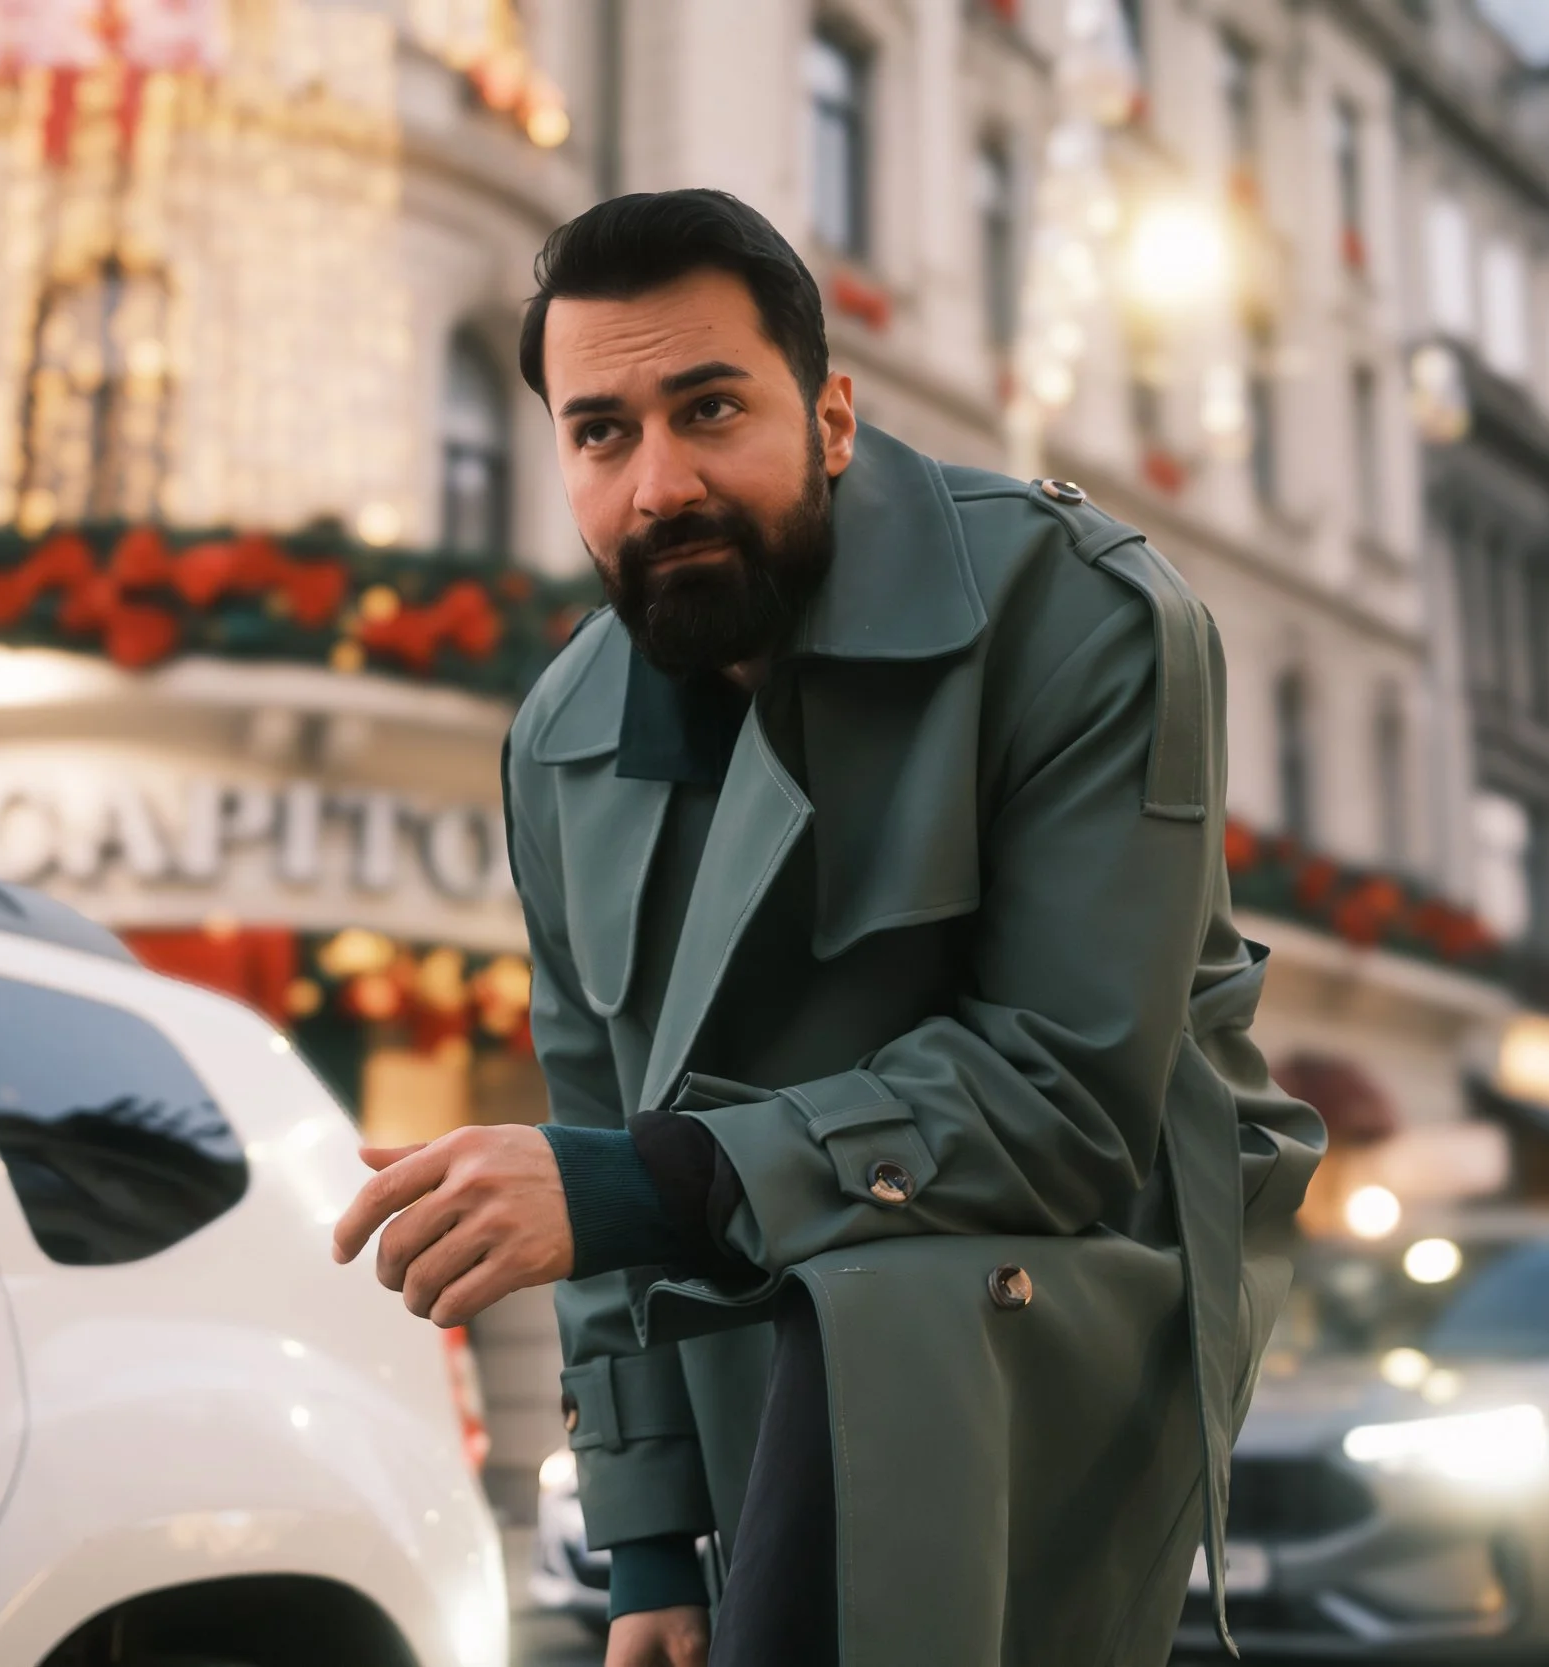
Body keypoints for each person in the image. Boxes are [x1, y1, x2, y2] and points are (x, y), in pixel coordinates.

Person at [333, 189, 1321, 1667]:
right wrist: (650, 1548)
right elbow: (597, 1112)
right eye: (603, 433)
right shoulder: (558, 736)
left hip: (1050, 1290)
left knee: (888, 1341)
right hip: (764, 1314)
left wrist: (638, 1179)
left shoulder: (1085, 613)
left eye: (711, 406)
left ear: (835, 417)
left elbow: (1067, 1092)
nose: (658, 482)